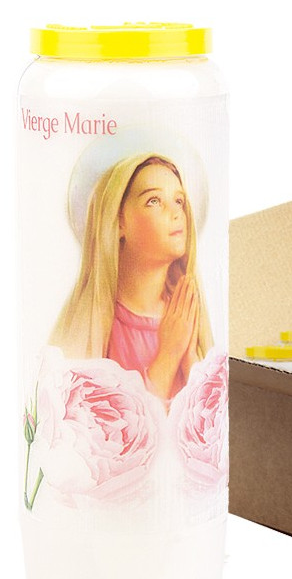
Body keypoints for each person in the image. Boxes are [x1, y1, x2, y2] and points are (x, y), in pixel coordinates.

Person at [50, 153, 213, 400]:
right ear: (119, 222)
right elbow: (106, 420)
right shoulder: (96, 328)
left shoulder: (186, 313)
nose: (176, 213)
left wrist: (190, 359)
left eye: (179, 201)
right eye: (154, 201)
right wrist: (168, 356)